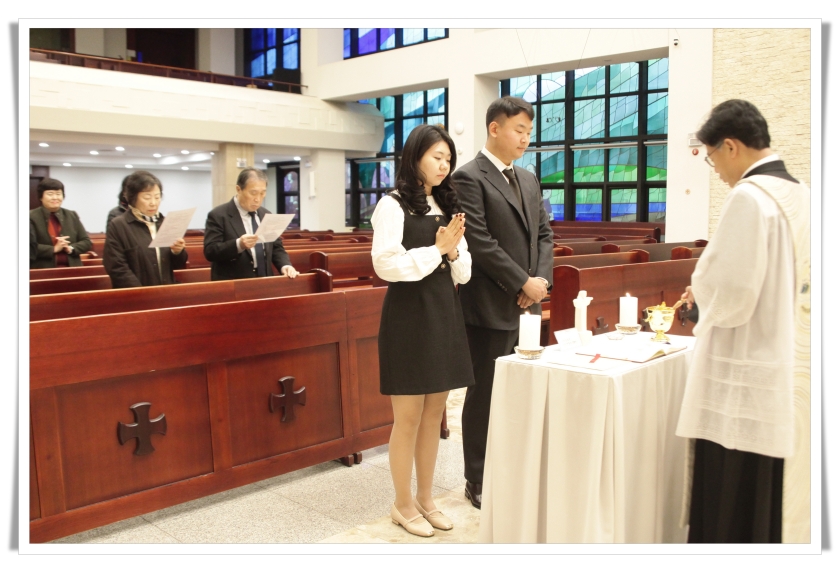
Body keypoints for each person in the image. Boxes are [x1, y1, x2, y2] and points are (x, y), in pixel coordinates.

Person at [676, 99, 810, 543]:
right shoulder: (801, 194)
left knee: (731, 504)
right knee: (771, 503)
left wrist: (699, 295)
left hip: (746, 373)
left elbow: (730, 291)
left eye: (712, 157)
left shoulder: (751, 197)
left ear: (731, 146)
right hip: (789, 367)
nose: (715, 169)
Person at [371, 124, 475, 537]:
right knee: (409, 417)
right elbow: (385, 265)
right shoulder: (392, 205)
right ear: (415, 157)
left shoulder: (447, 205)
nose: (444, 165)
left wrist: (453, 252)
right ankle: (402, 503)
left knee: (435, 415)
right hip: (408, 318)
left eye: (448, 159)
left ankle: (426, 499)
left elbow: (463, 273)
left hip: (443, 314)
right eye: (437, 157)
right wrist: (438, 249)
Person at [453, 96, 555, 510]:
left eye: (529, 132)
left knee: (520, 392)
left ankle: (512, 468)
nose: (525, 139)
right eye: (519, 130)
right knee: (485, 395)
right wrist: (521, 281)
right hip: (489, 305)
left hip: (527, 305)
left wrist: (540, 281)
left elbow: (544, 234)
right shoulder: (468, 177)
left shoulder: (528, 178)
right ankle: (477, 478)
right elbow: (479, 241)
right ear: (494, 128)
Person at [204, 167, 299, 280]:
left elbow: (276, 247)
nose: (258, 199)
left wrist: (285, 265)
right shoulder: (218, 215)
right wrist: (239, 244)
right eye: (253, 193)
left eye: (262, 193)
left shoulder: (266, 214)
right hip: (234, 283)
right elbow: (210, 251)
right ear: (239, 189)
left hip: (265, 280)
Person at [104, 170, 188, 288]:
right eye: (147, 197)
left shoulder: (165, 223)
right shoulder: (119, 225)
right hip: (135, 294)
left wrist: (177, 252)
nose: (153, 203)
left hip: (166, 290)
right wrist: (142, 292)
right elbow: (117, 267)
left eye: (157, 197)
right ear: (133, 198)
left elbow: (176, 265)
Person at [29, 177, 92, 268]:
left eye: (58, 194)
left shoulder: (72, 215)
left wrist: (70, 248)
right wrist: (53, 249)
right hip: (42, 270)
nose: (55, 198)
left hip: (73, 268)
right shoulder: (30, 216)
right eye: (50, 194)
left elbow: (86, 241)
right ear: (41, 197)